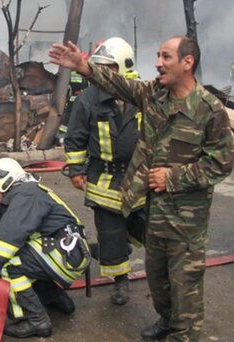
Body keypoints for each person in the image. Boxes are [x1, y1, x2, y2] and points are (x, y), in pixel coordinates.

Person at [49, 36, 234, 341]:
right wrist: (83, 66)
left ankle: (183, 335)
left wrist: (172, 178)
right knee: (159, 277)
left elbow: (221, 164)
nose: (157, 62)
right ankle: (167, 321)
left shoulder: (209, 109)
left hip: (186, 219)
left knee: (184, 283)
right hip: (154, 208)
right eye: (158, 55)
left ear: (187, 63)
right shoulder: (154, 94)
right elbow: (120, 85)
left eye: (166, 57)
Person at [0, 158, 91, 338]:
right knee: (27, 261)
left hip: (65, 254)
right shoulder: (24, 195)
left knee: (9, 264)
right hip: (67, 253)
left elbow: (10, 232)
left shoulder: (26, 195)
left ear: (4, 181)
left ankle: (36, 320)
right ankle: (56, 299)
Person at [64, 37, 146, 306]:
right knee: (109, 229)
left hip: (139, 176)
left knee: (143, 225)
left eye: (108, 68)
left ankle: (129, 249)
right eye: (98, 67)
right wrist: (76, 169)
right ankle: (120, 280)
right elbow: (75, 137)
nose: (102, 73)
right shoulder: (88, 100)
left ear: (122, 67)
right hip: (104, 176)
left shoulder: (141, 94)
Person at [56, 52, 89, 144]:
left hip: (74, 98)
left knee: (68, 118)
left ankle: (62, 137)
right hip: (80, 99)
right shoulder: (86, 73)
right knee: (74, 118)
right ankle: (64, 137)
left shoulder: (72, 72)